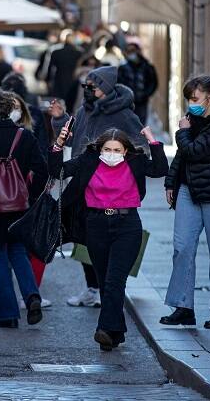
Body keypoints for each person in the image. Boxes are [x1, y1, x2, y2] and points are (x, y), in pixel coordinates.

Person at [51, 126, 168, 350]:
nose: (111, 154)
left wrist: (153, 140)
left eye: (117, 149)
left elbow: (160, 169)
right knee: (105, 281)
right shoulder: (89, 160)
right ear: (100, 149)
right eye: (107, 149)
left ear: (125, 151)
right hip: (95, 224)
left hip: (127, 225)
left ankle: (103, 329)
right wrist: (58, 143)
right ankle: (115, 333)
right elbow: (58, 171)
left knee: (115, 280)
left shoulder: (136, 161)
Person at [62, 65, 147, 308]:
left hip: (115, 190)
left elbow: (141, 146)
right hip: (83, 183)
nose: (88, 90)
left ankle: (107, 286)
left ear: (106, 88)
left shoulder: (124, 114)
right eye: (85, 86)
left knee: (111, 242)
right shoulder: (83, 110)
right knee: (83, 238)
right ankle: (92, 287)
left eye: (93, 86)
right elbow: (71, 136)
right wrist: (59, 120)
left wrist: (120, 165)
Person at [162, 75, 210, 329]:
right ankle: (183, 306)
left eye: (194, 98)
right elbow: (182, 157)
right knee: (182, 246)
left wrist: (182, 133)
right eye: (188, 98)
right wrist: (170, 182)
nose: (191, 103)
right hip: (189, 189)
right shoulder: (193, 118)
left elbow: (196, 150)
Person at [0, 89, 49, 328]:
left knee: (0, 257)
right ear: (9, 108)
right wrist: (31, 196)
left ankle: (8, 315)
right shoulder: (24, 136)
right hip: (20, 206)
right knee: (18, 251)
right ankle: (32, 295)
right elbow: (43, 170)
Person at [117, 42, 158, 125]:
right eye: (128, 51)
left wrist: (146, 94)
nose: (131, 53)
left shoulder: (147, 67)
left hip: (142, 101)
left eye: (133, 50)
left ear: (138, 51)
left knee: (141, 125)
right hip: (127, 102)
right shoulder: (122, 68)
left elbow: (153, 82)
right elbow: (118, 84)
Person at [45, 31, 82, 105]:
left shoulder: (56, 52)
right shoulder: (78, 54)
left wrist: (48, 80)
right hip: (72, 81)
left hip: (59, 80)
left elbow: (50, 68)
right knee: (69, 104)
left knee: (57, 102)